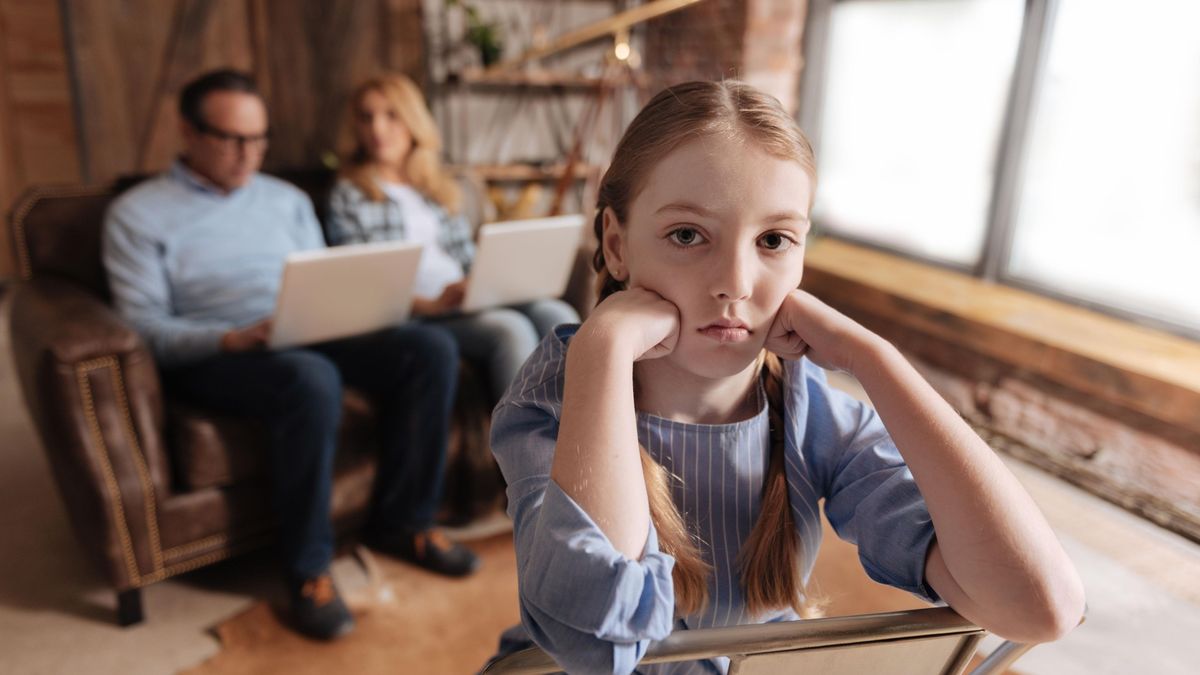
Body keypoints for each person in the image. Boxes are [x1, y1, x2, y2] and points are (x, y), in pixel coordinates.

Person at [486, 80, 1086, 674]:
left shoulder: (811, 414)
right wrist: (604, 346)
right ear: (616, 245)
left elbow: (1041, 606)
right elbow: (598, 644)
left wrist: (874, 359)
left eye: (774, 239)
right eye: (688, 235)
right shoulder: (556, 397)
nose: (736, 283)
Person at [102, 69, 479, 642]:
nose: (247, 154)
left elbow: (321, 277)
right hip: (219, 347)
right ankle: (309, 570)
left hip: (303, 327)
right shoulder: (137, 214)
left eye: (258, 139)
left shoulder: (286, 200)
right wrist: (229, 338)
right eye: (231, 139)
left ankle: (406, 523)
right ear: (187, 132)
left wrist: (347, 308)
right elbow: (144, 329)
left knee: (427, 347)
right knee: (310, 378)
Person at [327, 73, 580, 403]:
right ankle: (524, 453)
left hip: (464, 298)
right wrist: (429, 304)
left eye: (391, 115)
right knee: (509, 329)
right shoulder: (349, 194)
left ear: (413, 122)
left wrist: (479, 284)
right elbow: (362, 279)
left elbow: (466, 258)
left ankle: (581, 439)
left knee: (558, 315)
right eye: (366, 117)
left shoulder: (437, 189)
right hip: (420, 310)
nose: (377, 128)